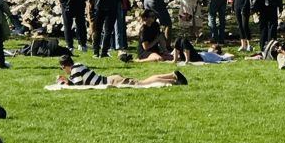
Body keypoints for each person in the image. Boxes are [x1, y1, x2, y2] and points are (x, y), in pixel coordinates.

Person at [57, 54, 187, 87]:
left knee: (142, 83)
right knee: (142, 81)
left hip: (113, 81)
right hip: (112, 78)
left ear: (64, 66)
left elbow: (78, 86)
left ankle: (173, 79)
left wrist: (66, 82)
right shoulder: (78, 65)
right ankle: (172, 75)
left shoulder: (74, 71)